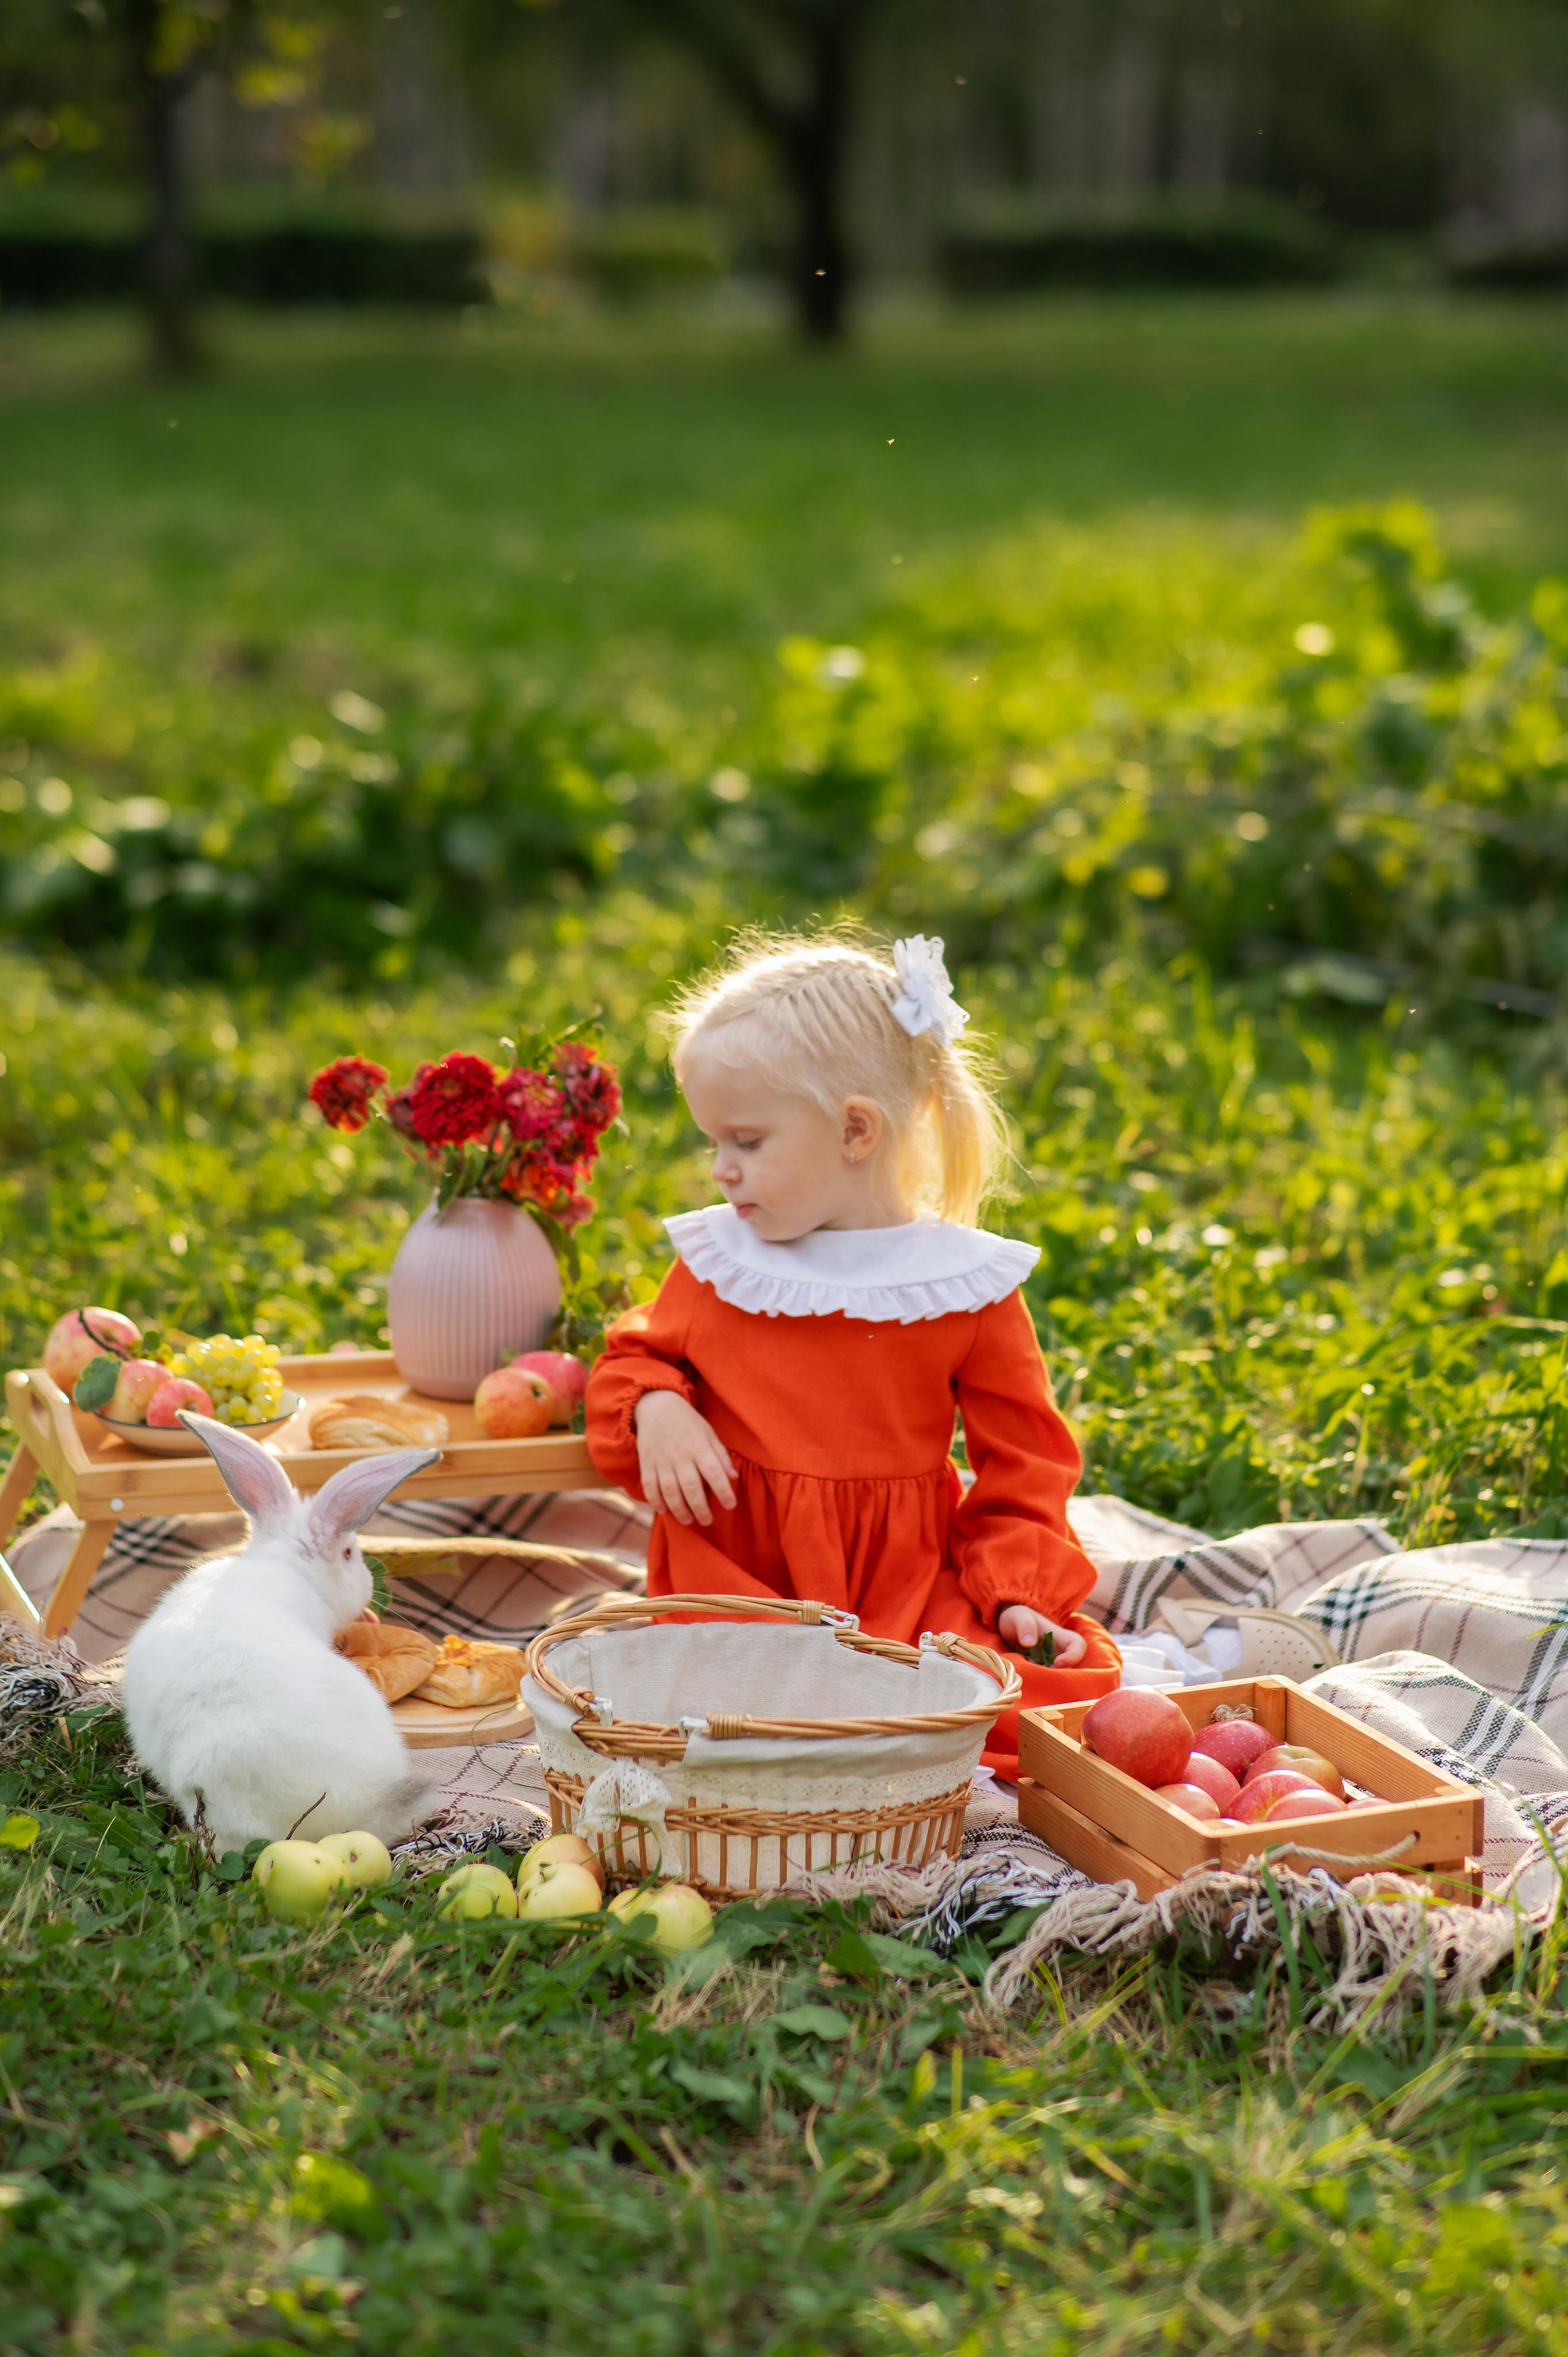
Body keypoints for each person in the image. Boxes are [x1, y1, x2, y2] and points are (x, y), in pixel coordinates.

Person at [584, 931, 1120, 1777]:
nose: (722, 1171)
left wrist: (1020, 1591)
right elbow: (633, 1358)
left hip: (900, 1580)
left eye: (748, 1142)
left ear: (856, 1131)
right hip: (738, 1579)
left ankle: (880, 1702)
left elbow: (1025, 1463)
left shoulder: (961, 1286)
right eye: (714, 1145)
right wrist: (655, 1406)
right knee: (736, 1702)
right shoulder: (726, 1261)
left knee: (1043, 1697)